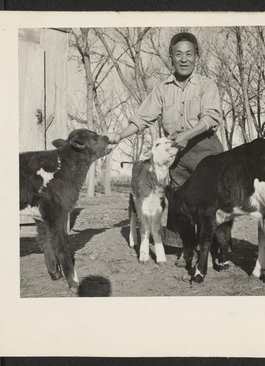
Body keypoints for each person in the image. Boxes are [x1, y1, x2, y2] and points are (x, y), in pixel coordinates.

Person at [108, 32, 224, 265]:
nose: (184, 59)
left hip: (205, 150)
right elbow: (142, 118)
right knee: (181, 202)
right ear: (170, 57)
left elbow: (212, 117)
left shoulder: (206, 85)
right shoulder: (161, 89)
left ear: (196, 57)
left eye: (189, 54)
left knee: (210, 202)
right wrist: (119, 135)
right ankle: (186, 249)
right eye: (178, 54)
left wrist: (187, 135)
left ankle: (216, 251)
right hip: (176, 155)